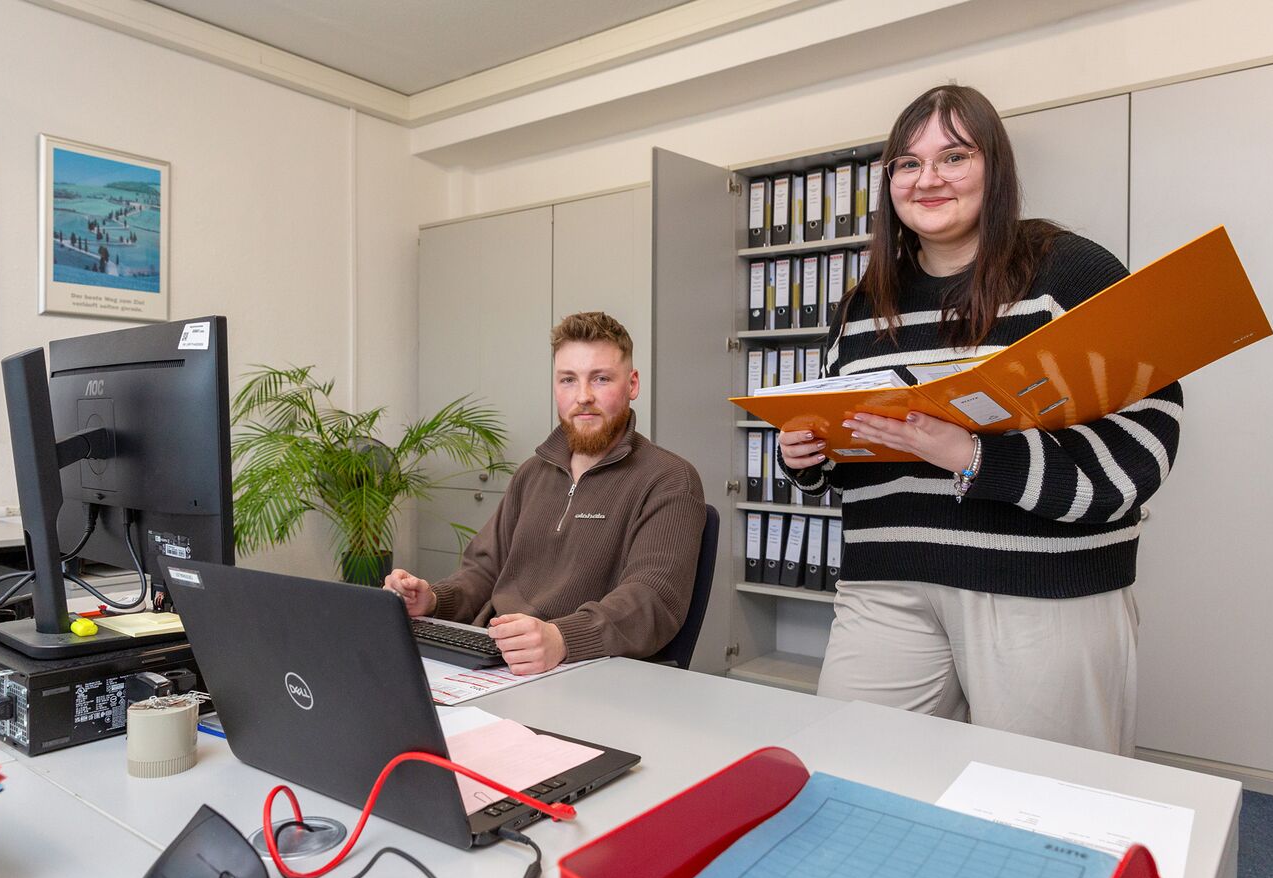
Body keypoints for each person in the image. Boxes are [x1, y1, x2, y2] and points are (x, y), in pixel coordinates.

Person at [778, 85, 1181, 755]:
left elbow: (1146, 437)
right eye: (906, 164)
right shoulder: (859, 306)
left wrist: (976, 458)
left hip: (1041, 588)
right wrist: (810, 460)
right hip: (887, 583)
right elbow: (852, 458)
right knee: (850, 775)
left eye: (953, 156)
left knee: (1044, 806)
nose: (927, 178)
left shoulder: (1072, 272)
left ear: (995, 168)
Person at [384, 311, 706, 675]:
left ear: (631, 384)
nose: (583, 396)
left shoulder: (669, 478)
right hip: (497, 659)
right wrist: (434, 599)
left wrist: (561, 638)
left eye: (601, 379)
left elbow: (652, 600)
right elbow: (484, 571)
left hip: (585, 672)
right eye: (568, 380)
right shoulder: (532, 473)